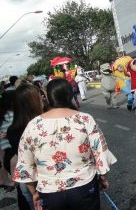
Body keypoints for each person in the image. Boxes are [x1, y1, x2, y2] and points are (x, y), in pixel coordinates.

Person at [13, 79, 117, 210]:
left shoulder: (33, 125)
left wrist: (33, 192)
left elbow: (25, 163)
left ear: (48, 97)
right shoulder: (84, 119)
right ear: (70, 95)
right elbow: (100, 151)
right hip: (84, 186)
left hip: (49, 191)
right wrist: (104, 178)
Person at [8, 84, 44, 210]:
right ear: (34, 101)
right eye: (39, 96)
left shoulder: (12, 130)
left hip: (26, 180)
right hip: (45, 179)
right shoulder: (43, 125)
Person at [0, 90, 16, 193]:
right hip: (12, 148)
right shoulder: (15, 115)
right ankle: (14, 182)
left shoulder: (1, 115)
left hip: (3, 148)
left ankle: (5, 181)